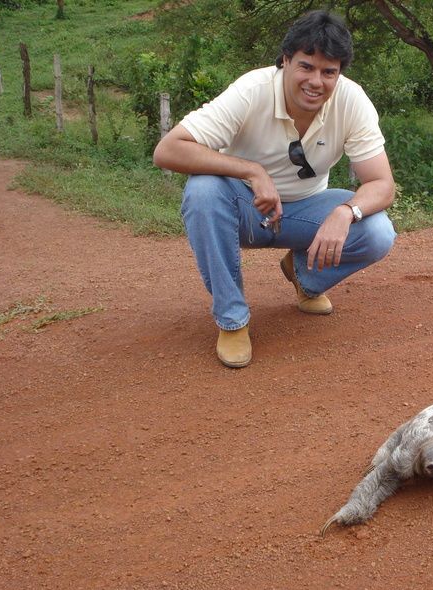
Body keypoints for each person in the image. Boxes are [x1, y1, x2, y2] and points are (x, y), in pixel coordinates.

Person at [153, 10, 396, 369]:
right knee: (203, 191)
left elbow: (382, 183)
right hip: (243, 208)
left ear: (340, 72)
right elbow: (168, 150)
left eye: (329, 71)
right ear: (285, 61)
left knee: (376, 230)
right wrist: (250, 170)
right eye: (306, 67)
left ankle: (305, 277)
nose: (316, 81)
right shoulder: (252, 91)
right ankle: (232, 319)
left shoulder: (352, 100)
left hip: (305, 209)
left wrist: (345, 213)